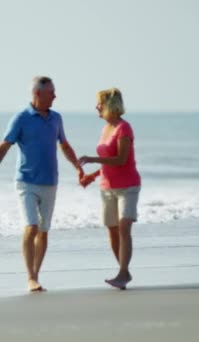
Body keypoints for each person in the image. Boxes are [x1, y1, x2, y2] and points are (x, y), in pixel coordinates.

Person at [0, 76, 84, 292]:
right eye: (51, 92)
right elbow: (3, 147)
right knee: (31, 227)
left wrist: (77, 167)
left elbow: (64, 145)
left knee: (44, 231)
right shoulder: (20, 118)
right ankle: (30, 277)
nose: (55, 96)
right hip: (26, 182)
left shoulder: (56, 118)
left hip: (50, 182)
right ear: (38, 94)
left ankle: (36, 274)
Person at [79, 87, 141, 290]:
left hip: (128, 186)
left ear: (109, 106)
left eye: (99, 103)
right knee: (112, 231)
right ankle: (123, 270)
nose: (96, 107)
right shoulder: (105, 128)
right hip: (107, 187)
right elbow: (108, 163)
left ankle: (122, 273)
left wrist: (91, 158)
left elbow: (121, 159)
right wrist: (93, 176)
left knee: (124, 227)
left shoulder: (125, 128)